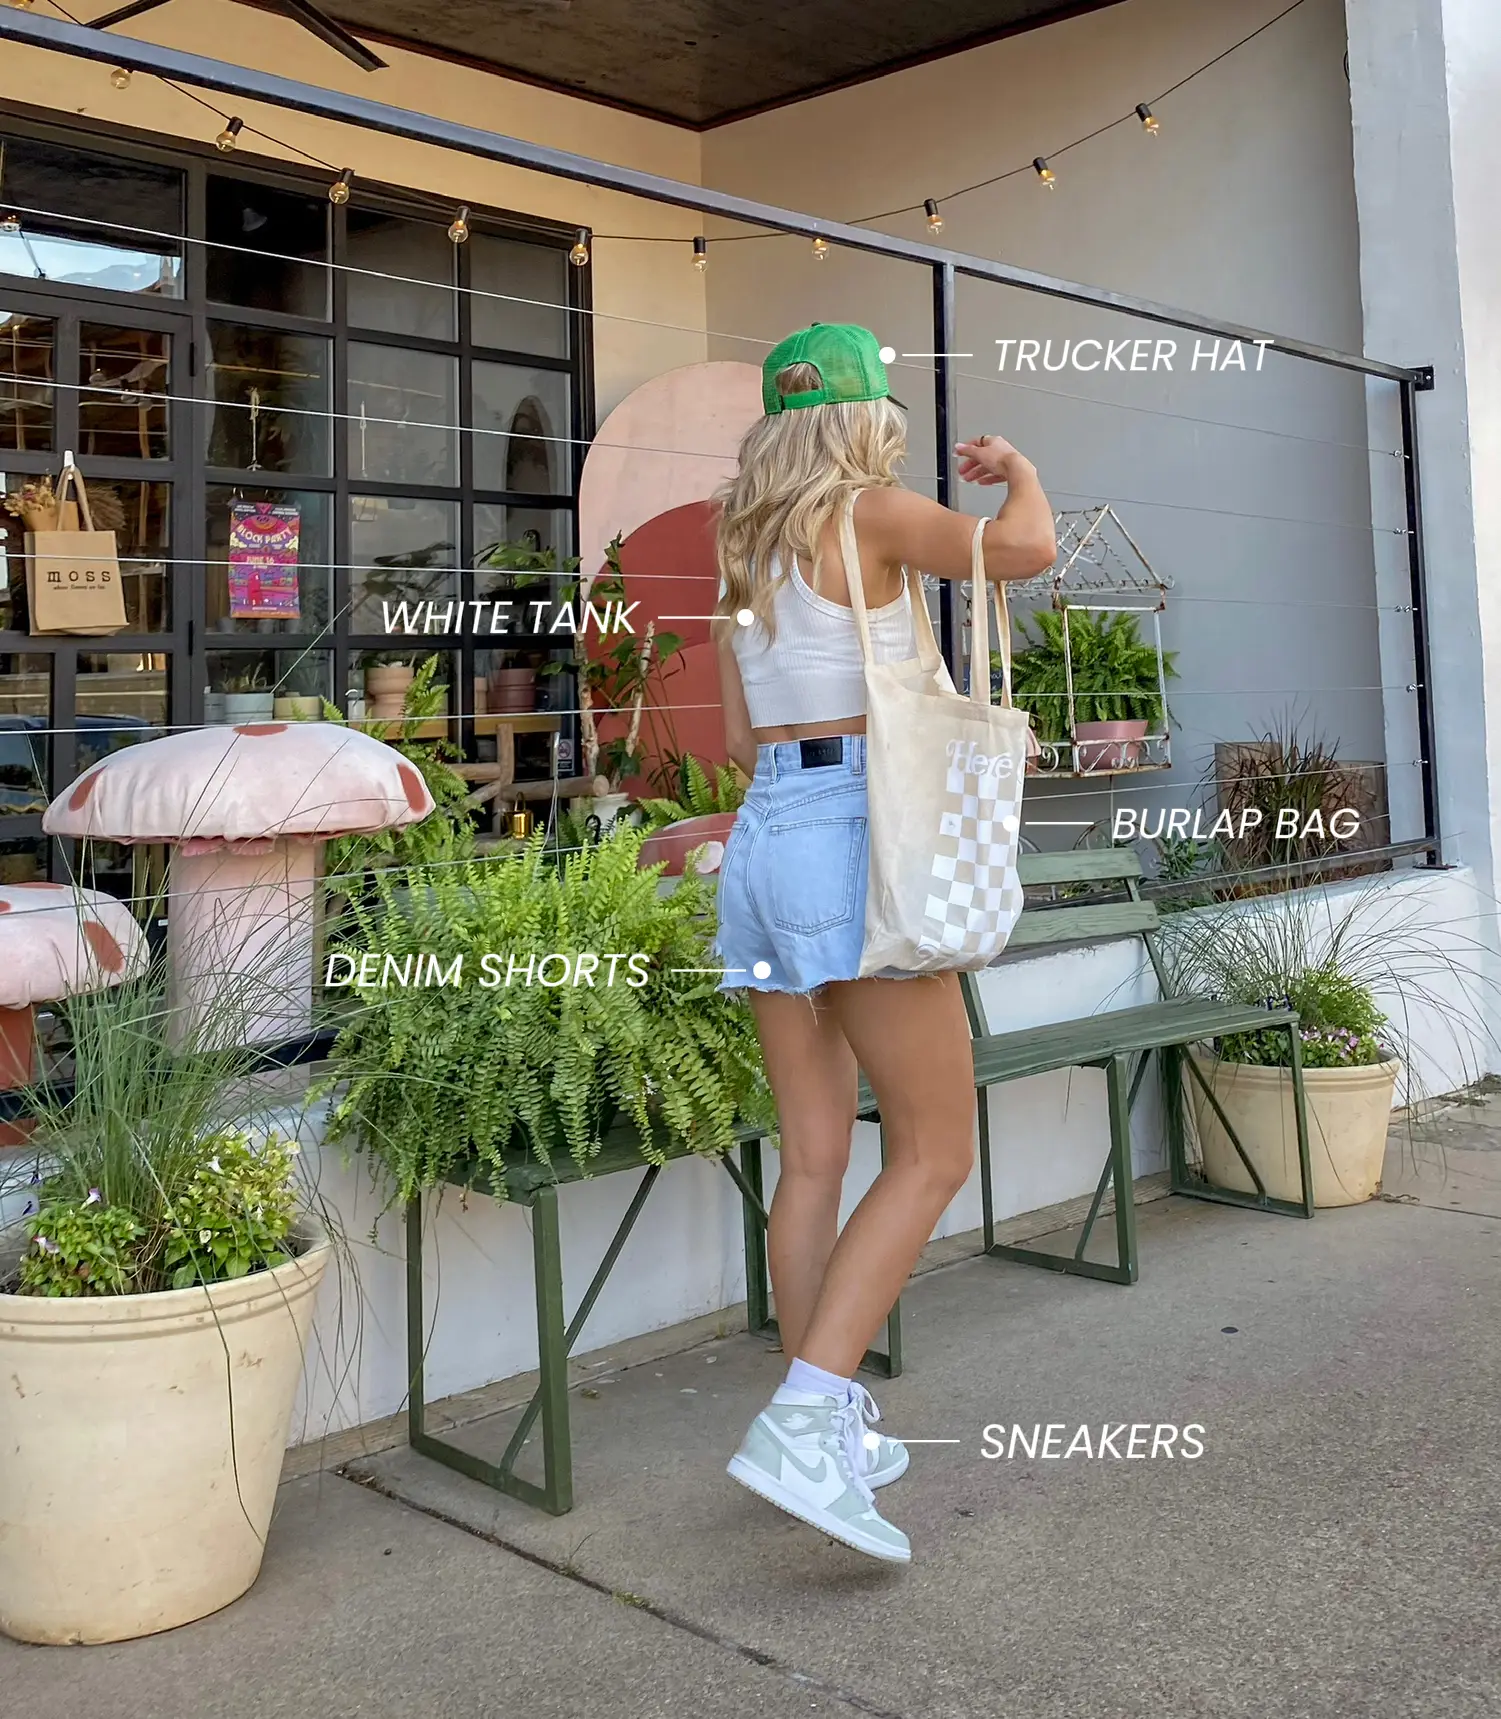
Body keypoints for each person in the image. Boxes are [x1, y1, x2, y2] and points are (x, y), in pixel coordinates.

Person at [712, 323, 1057, 1563]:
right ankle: (808, 1418)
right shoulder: (868, 514)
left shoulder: (741, 549)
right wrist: (1017, 467)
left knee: (812, 1157)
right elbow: (1026, 552)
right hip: (865, 834)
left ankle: (828, 1414)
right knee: (932, 1151)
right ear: (864, 421)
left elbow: (745, 734)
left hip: (764, 845)